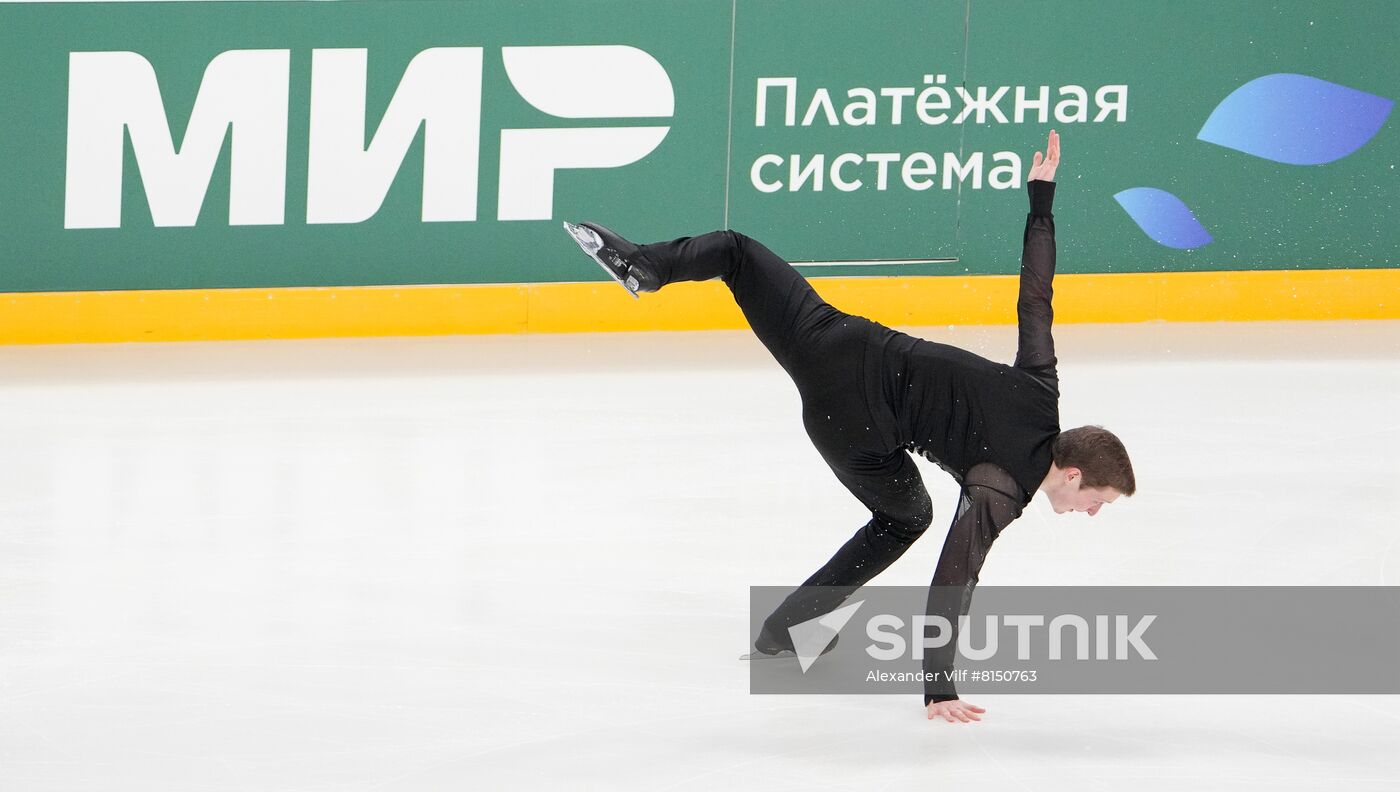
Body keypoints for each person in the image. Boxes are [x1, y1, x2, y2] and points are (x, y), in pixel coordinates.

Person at [563, 130, 1135, 724]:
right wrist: (938, 689)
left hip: (842, 341)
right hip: (848, 420)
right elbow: (953, 579)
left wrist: (1041, 198)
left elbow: (1036, 297)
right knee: (907, 517)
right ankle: (789, 628)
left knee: (734, 252)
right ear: (1072, 473)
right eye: (1099, 499)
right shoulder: (1001, 488)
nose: (1093, 511)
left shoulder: (1043, 389)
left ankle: (647, 268)